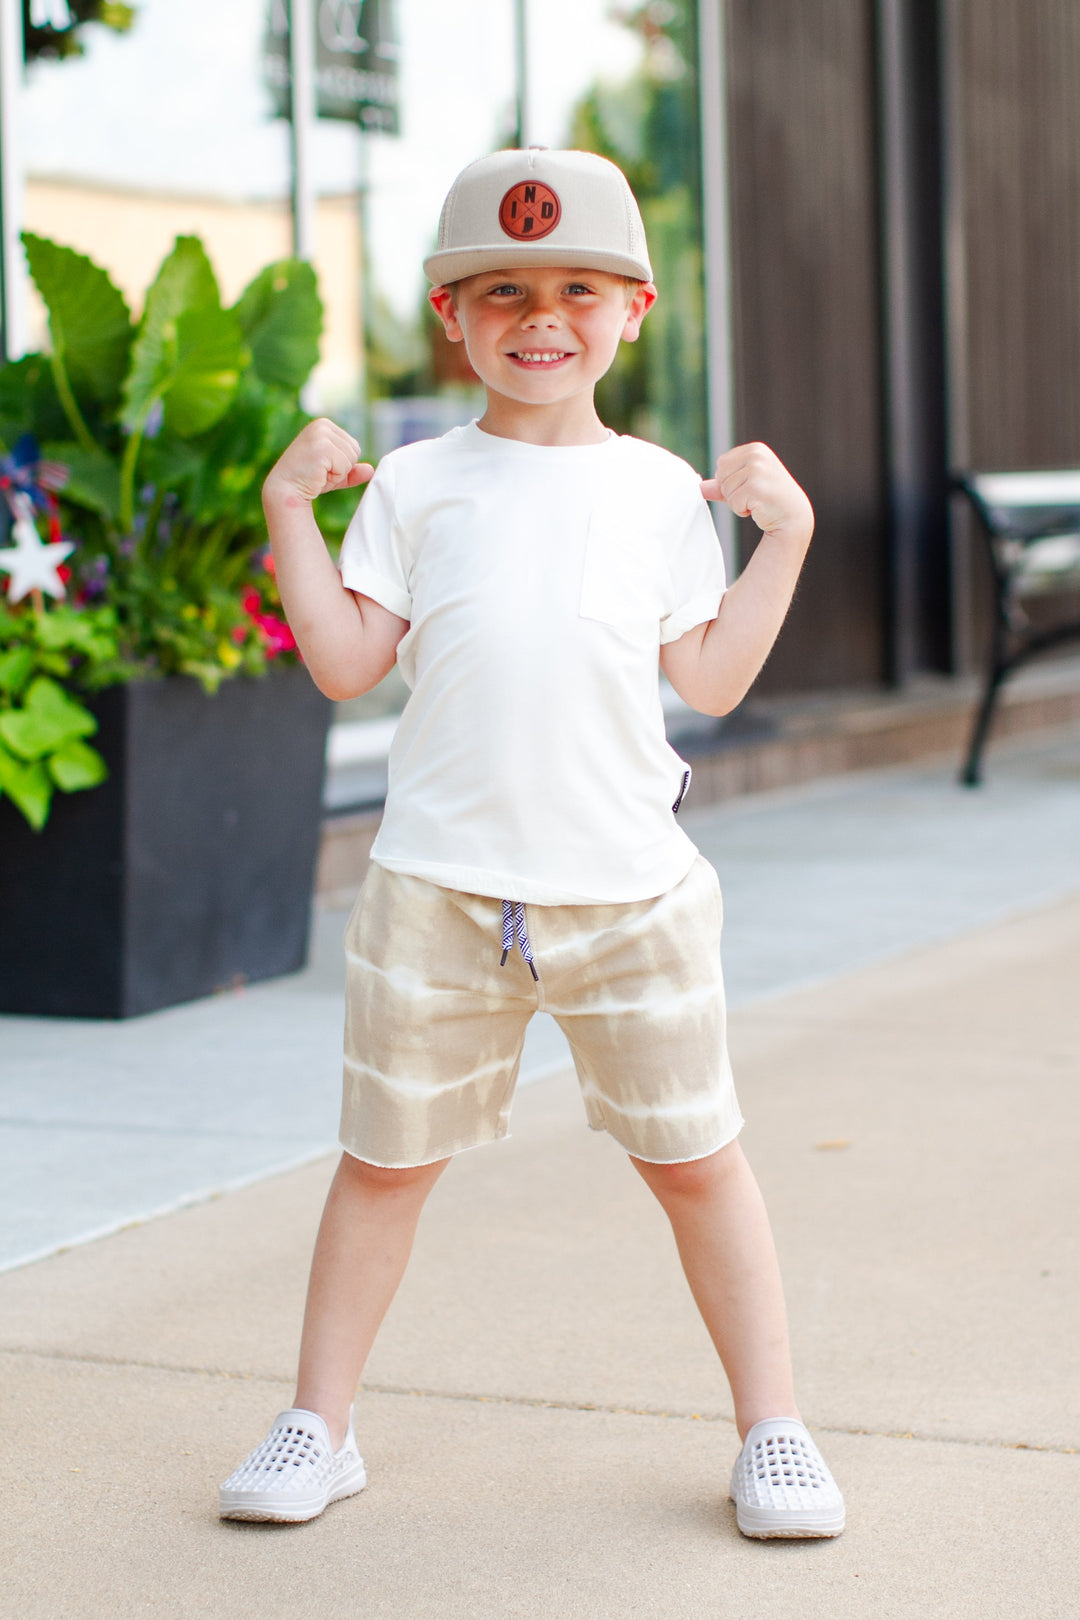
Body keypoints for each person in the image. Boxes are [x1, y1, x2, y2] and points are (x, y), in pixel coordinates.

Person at [218, 148, 845, 1541]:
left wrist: (783, 542)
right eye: (500, 290)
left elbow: (716, 679)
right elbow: (339, 661)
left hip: (630, 894)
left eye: (575, 288)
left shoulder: (660, 489)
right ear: (451, 315)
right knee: (383, 1160)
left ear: (635, 308)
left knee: (698, 1160)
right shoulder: (422, 486)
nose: (538, 316)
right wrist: (287, 517)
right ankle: (318, 1422)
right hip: (437, 888)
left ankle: (776, 1427)